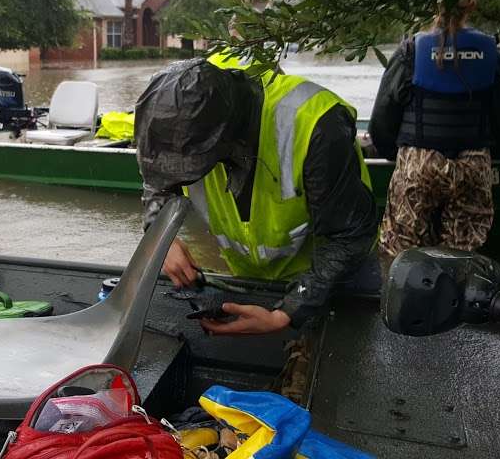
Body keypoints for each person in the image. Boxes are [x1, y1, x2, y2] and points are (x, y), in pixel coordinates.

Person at [135, 52, 379, 335]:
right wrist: (159, 236)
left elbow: (349, 237)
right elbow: (159, 176)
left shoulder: (316, 126)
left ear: (227, 141)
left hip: (339, 274)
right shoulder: (189, 100)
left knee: (341, 361)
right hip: (257, 277)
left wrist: (288, 310)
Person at [368, 0, 500, 260]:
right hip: (473, 164)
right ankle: (458, 295)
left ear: (432, 9)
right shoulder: (493, 53)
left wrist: (393, 154)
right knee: (462, 254)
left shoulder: (411, 51)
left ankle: (405, 297)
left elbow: (382, 116)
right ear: (471, 8)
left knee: (401, 253)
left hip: (419, 162)